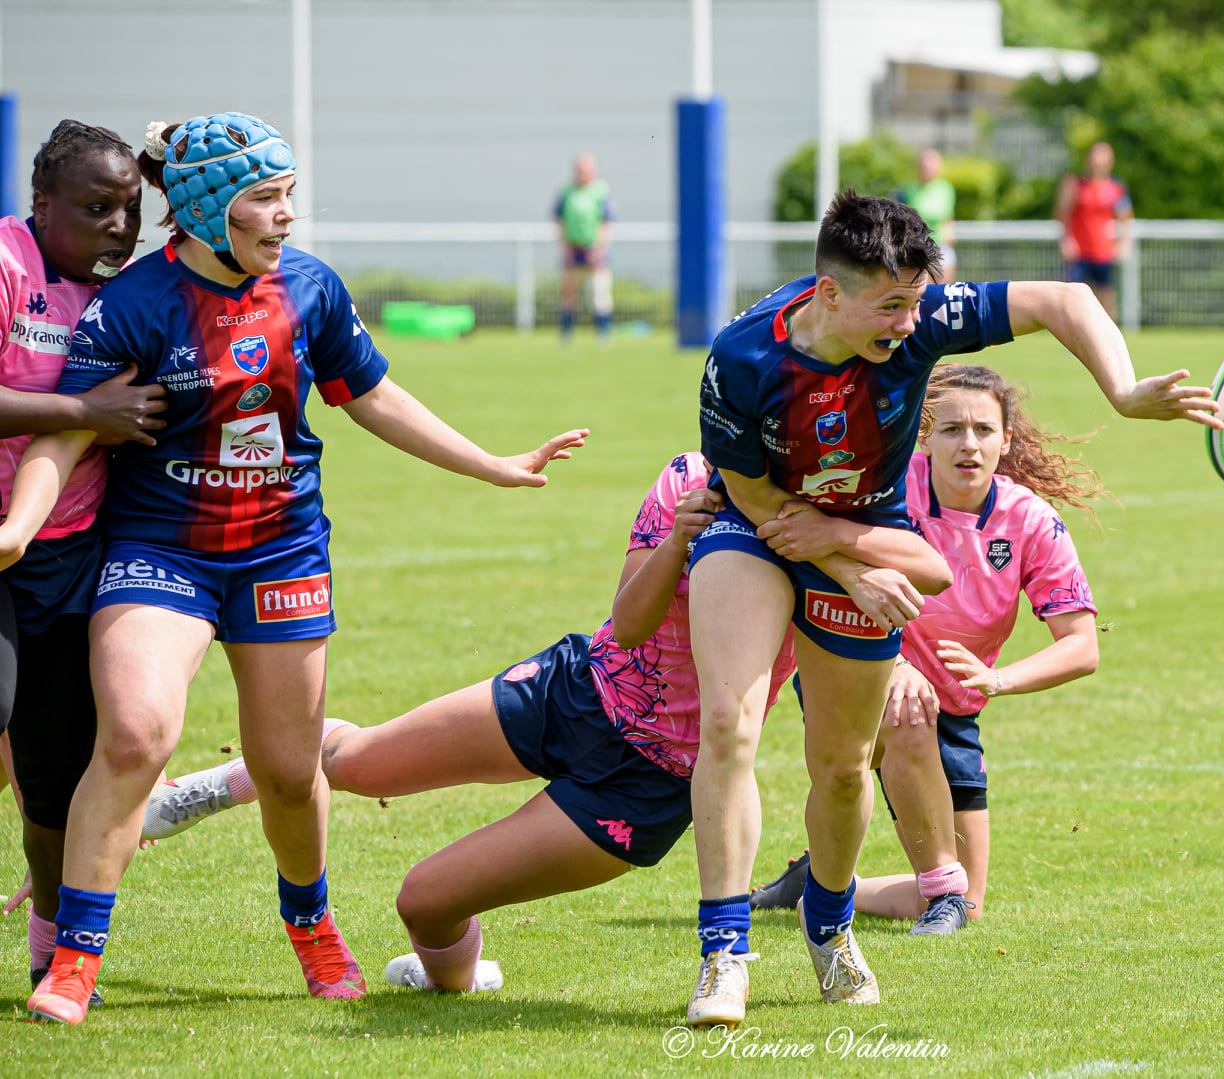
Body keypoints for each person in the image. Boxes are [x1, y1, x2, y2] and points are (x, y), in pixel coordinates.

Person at [0, 112, 586, 1026]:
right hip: (162, 551)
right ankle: (74, 958)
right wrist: (19, 527)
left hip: (279, 550)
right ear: (205, 207)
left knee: (283, 767)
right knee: (135, 735)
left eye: (288, 198)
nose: (286, 218)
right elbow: (65, 429)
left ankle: (310, 921)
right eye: (267, 200)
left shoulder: (309, 289)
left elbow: (375, 396)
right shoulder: (135, 304)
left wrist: (493, 462)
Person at [139, 451, 944, 1009]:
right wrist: (680, 537)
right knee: (355, 759)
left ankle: (454, 979)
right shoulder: (688, 478)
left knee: (423, 904)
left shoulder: (836, 517)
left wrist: (887, 642)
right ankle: (206, 788)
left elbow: (885, 609)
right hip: (575, 689)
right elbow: (628, 625)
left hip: (650, 778)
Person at [686, 190, 1221, 1027]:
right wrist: (841, 562)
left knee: (839, 764)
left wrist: (1119, 389)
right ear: (829, 294)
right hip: (758, 527)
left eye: (914, 301)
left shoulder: (924, 317)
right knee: (729, 722)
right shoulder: (744, 357)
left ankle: (828, 927)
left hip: (864, 533)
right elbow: (752, 491)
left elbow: (1064, 298)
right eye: (888, 306)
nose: (907, 324)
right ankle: (723, 955)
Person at [751, 364, 1103, 930]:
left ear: (1006, 440)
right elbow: (809, 538)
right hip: (858, 673)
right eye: (952, 429)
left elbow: (1082, 646)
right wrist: (890, 663)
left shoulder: (1031, 521)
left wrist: (998, 680)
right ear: (925, 434)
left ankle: (821, 881)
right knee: (906, 707)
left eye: (985, 430)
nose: (969, 444)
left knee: (968, 903)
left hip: (957, 708)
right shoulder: (886, 487)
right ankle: (928, 888)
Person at [0, 120, 175, 1004]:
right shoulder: (6, 265)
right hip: (0, 545)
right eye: (94, 206)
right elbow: (84, 413)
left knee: (55, 773)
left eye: (130, 209)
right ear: (41, 205)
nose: (117, 225)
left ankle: (49, 950)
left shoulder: (134, 296)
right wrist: (82, 409)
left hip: (74, 559)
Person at [1055, 142, 1133, 320]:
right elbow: (1062, 213)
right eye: (1095, 156)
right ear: (1087, 159)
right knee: (1071, 296)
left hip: (1104, 251)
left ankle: (1108, 340)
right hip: (1079, 252)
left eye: (1103, 156)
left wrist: (1124, 242)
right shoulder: (1075, 184)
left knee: (1106, 296)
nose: (1098, 161)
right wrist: (1066, 239)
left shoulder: (1116, 188)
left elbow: (1126, 218)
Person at [554, 153, 615, 342]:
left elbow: (606, 221)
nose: (583, 174)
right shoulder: (567, 192)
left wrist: (600, 246)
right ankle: (566, 333)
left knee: (599, 291)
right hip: (573, 247)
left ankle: (603, 332)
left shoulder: (600, 191)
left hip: (594, 248)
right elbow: (560, 219)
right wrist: (564, 245)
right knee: (569, 291)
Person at [897, 149, 957, 284]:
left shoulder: (945, 188)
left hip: (941, 244)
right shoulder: (908, 189)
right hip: (917, 246)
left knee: (943, 289)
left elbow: (947, 216)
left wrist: (950, 235)